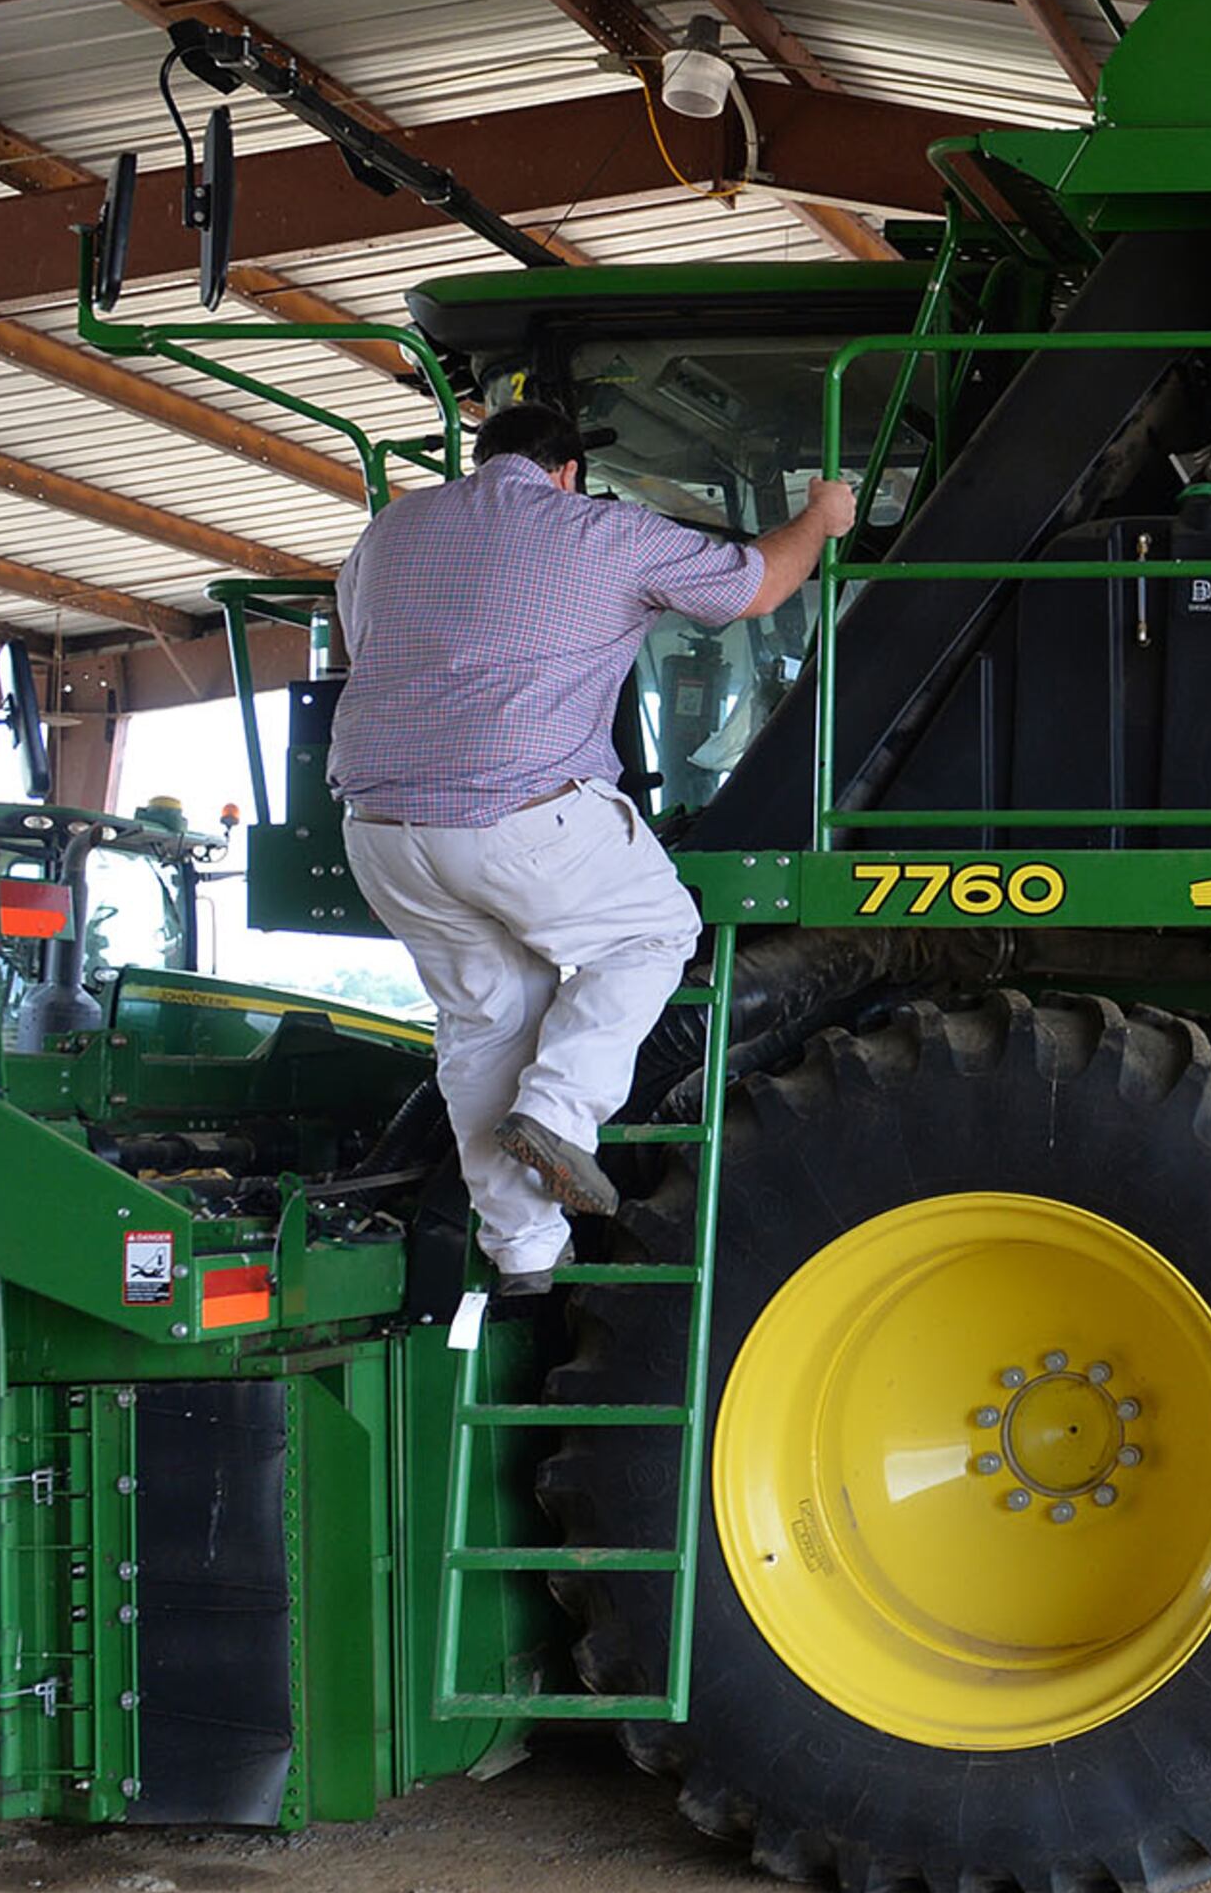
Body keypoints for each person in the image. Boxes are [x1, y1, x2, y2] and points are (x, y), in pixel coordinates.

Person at [330, 399, 854, 1314]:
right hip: (514, 820)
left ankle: (527, 1253)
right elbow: (761, 589)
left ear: (480, 458)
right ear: (569, 471)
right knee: (652, 933)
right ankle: (560, 1113)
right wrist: (822, 518)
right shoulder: (601, 531)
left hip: (380, 831)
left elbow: (367, 638)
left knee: (485, 1025)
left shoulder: (393, 529)